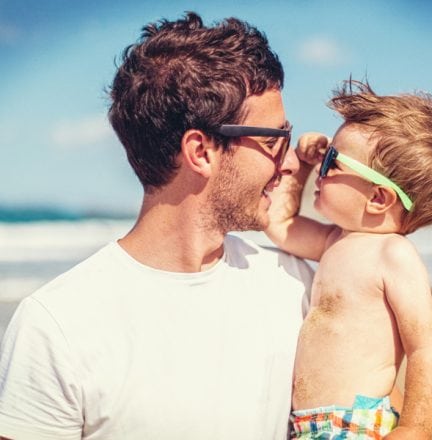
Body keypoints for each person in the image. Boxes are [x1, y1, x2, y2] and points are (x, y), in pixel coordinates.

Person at [0, 12, 314, 439]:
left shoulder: (296, 285)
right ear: (201, 151)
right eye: (274, 139)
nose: (290, 161)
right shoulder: (56, 325)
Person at [266, 80, 432, 439]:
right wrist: (301, 167)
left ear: (378, 198)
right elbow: (279, 223)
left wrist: (416, 426)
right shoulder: (334, 241)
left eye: (332, 161)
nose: (321, 169)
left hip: (356, 424)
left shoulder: (393, 255)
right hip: (307, 426)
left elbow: (423, 347)